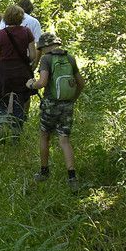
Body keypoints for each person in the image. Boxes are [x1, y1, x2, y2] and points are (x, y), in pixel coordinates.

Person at [26, 33, 86, 191]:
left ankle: (44, 172)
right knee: (64, 140)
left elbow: (43, 82)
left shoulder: (46, 59)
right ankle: (72, 178)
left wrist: (31, 84)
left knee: (44, 136)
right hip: (67, 105)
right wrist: (73, 99)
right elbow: (81, 83)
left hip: (51, 104)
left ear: (44, 46)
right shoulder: (70, 58)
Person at [0, 5, 38, 140]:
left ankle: (2, 126)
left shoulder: (0, 34)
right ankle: (17, 133)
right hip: (21, 72)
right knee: (20, 100)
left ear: (6, 17)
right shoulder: (27, 32)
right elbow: (33, 55)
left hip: (3, 72)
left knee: (1, 99)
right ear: (21, 18)